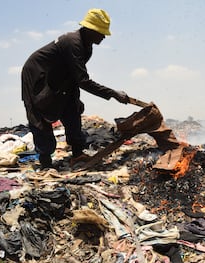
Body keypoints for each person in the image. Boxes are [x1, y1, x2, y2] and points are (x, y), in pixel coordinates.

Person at [21, 8, 130, 169]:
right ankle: (45, 162)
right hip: (37, 73)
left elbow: (74, 77)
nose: (103, 36)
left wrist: (76, 98)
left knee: (73, 108)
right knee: (39, 115)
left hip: (60, 78)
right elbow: (83, 80)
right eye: (100, 32)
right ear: (89, 29)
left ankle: (78, 154)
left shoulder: (87, 47)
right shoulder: (73, 42)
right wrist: (113, 93)